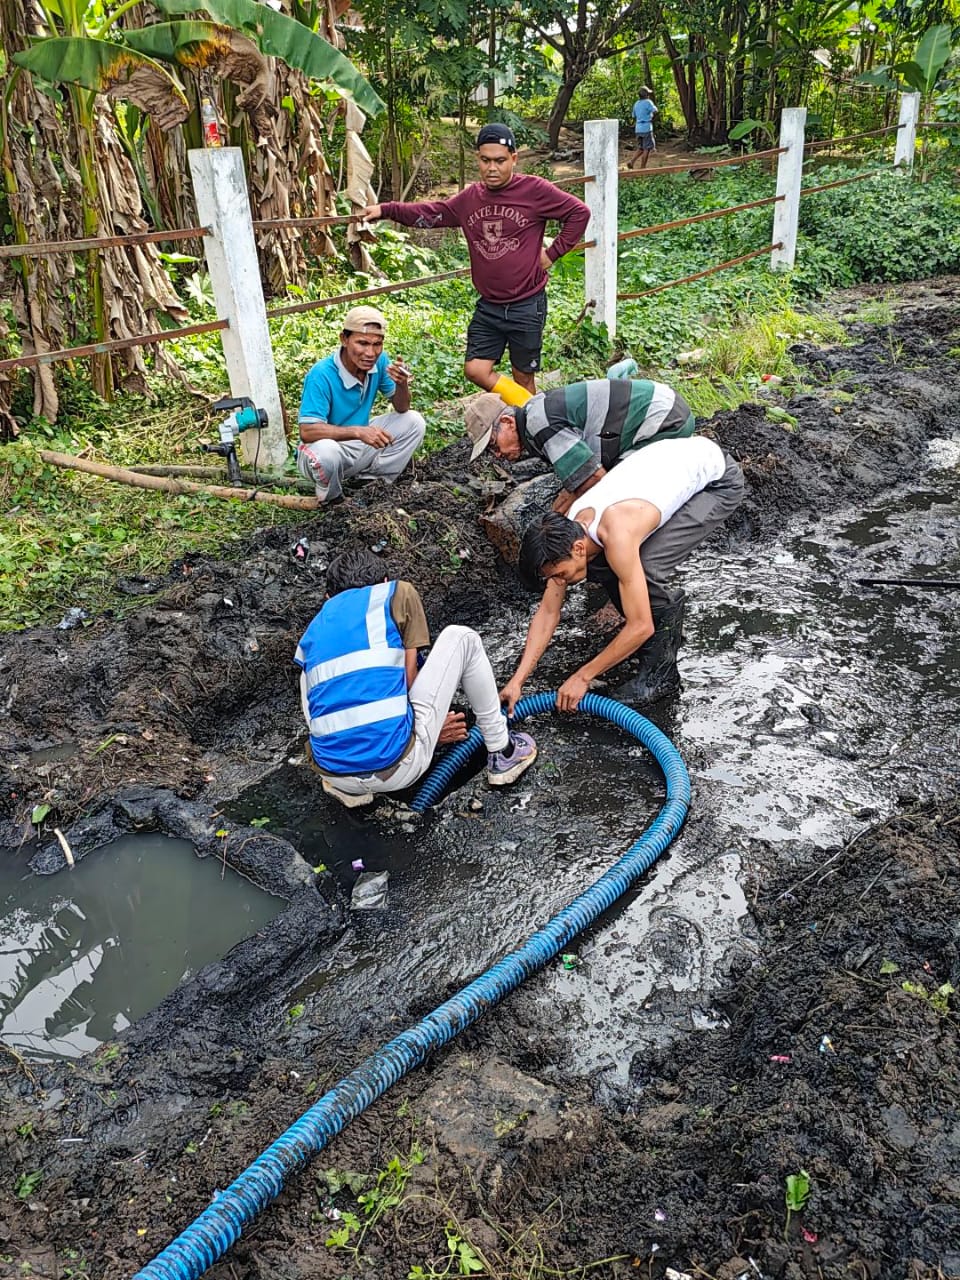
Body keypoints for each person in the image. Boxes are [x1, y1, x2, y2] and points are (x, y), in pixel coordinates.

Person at [499, 436, 744, 712]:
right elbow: (547, 614)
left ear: (578, 547)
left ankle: (660, 676)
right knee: (611, 568)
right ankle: (640, 640)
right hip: (671, 463)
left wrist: (583, 676)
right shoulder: (568, 531)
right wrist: (517, 681)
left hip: (717, 480)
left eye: (559, 574)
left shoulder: (617, 532)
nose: (559, 581)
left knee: (647, 569)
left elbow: (642, 626)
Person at [358, 124, 591, 401]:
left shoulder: (534, 190)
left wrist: (551, 254)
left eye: (500, 161)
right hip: (489, 305)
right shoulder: (471, 198)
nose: (492, 168)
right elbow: (434, 212)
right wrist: (386, 209)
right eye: (485, 160)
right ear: (477, 158)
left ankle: (528, 428)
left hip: (527, 303)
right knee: (476, 369)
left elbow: (579, 213)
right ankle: (528, 410)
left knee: (523, 376)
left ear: (514, 159)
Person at [295, 548, 538, 807]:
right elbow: (410, 682)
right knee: (461, 637)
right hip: (397, 767)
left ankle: (351, 790)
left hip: (333, 771)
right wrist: (432, 733)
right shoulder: (397, 593)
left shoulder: (314, 630)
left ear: (328, 597)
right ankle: (503, 751)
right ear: (385, 582)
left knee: (311, 672)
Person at [465, 376, 696, 515]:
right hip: (661, 410)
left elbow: (595, 480)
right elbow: (581, 477)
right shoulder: (534, 415)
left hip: (664, 421)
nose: (498, 455)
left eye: (494, 445)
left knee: (620, 506)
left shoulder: (538, 424)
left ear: (507, 422)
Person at [297, 305, 425, 504]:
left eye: (377, 344)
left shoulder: (380, 362)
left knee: (413, 421)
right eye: (362, 343)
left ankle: (371, 484)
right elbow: (308, 431)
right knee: (326, 453)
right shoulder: (321, 374)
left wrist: (402, 385)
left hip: (359, 446)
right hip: (324, 452)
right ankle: (332, 499)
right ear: (344, 339)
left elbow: (402, 408)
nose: (370, 352)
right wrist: (358, 431)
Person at [629, 87, 658, 170]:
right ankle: (643, 168)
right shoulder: (648, 102)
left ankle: (632, 162)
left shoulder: (636, 103)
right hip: (646, 128)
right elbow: (655, 110)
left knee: (640, 148)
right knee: (647, 149)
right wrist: (651, 115)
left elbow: (634, 116)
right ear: (646, 95)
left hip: (638, 128)